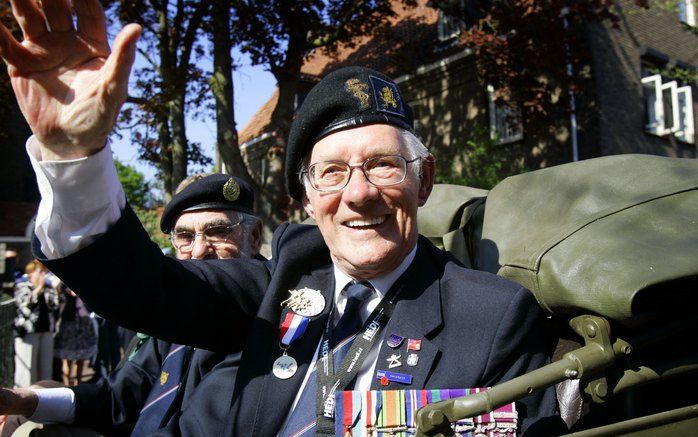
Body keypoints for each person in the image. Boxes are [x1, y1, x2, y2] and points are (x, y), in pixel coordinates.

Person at [0, 2, 561, 435]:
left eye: (385, 166)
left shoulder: (492, 316)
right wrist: (74, 157)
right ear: (307, 199)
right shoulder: (280, 278)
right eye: (332, 173)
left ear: (425, 181)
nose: (359, 194)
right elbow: (141, 288)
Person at [0, 173, 263, 437]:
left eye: (217, 232)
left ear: (253, 237)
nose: (197, 250)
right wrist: (26, 401)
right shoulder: (171, 313)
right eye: (184, 236)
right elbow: (120, 397)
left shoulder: (265, 318)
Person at [13, 261, 59, 388]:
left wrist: (49, 289)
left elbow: (54, 305)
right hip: (28, 332)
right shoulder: (22, 285)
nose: (42, 274)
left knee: (45, 367)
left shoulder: (48, 287)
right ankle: (23, 399)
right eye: (39, 271)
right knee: (27, 368)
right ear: (30, 272)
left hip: (46, 330)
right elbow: (23, 304)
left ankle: (44, 396)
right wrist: (38, 289)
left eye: (43, 272)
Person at [53, 284, 98, 386]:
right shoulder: (62, 287)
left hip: (83, 323)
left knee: (81, 356)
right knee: (67, 357)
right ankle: (67, 384)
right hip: (69, 324)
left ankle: (79, 383)